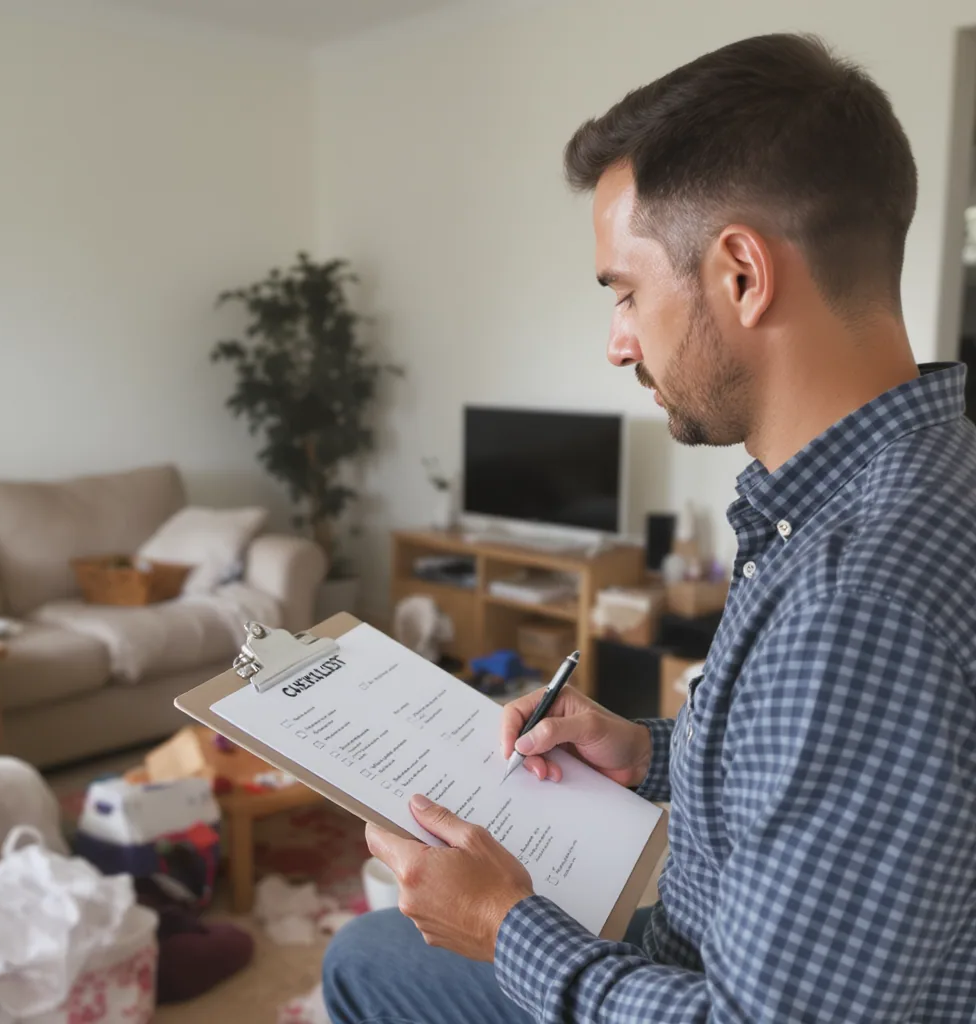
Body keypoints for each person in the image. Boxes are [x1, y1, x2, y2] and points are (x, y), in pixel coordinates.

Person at [323, 32, 976, 1023]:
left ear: (742, 275)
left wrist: (505, 929)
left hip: (711, 979)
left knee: (365, 959)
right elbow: (818, 765)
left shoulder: (854, 596)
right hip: (710, 936)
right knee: (379, 941)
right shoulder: (921, 474)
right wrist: (645, 749)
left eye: (624, 291)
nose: (617, 340)